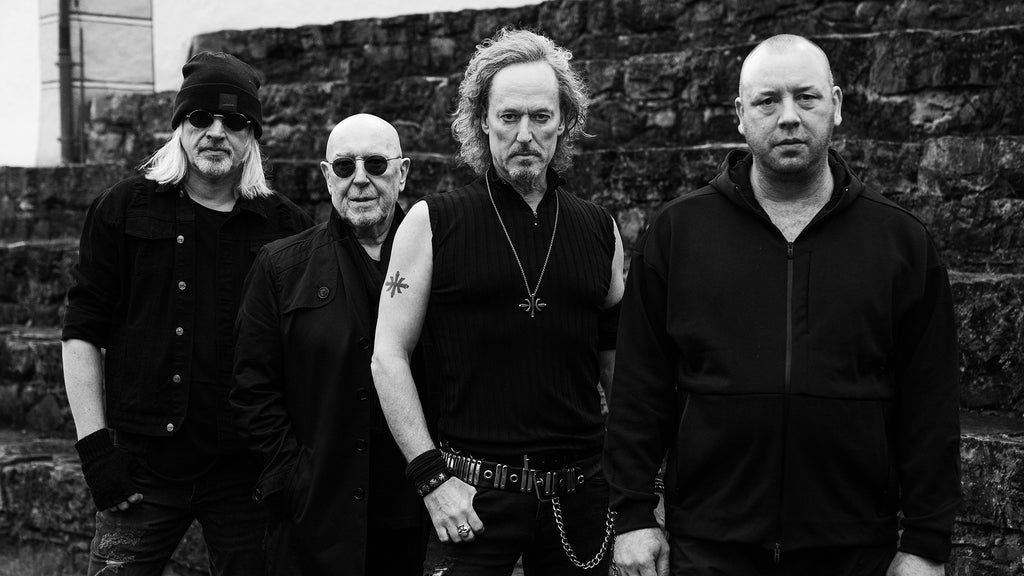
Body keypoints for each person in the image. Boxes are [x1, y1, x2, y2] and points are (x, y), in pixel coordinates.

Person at [604, 34, 961, 576]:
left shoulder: (900, 241)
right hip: (709, 547)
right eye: (768, 100)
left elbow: (929, 402)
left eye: (806, 97)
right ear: (740, 115)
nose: (789, 117)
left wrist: (926, 544)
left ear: (835, 105)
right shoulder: (679, 233)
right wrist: (633, 515)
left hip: (853, 550)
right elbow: (639, 386)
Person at [371, 27, 625, 576]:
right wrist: (430, 477)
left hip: (579, 500)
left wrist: (635, 495)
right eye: (508, 116)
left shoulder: (600, 230)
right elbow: (387, 355)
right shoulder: (431, 223)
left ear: (565, 120)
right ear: (483, 120)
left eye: (540, 116)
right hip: (469, 499)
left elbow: (618, 370)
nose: (524, 134)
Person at [61, 51, 313, 576]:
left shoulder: (286, 227)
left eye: (235, 122)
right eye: (201, 117)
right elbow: (82, 330)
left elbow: (308, 347)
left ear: (252, 136)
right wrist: (96, 451)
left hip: (247, 474)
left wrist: (292, 460)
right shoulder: (122, 208)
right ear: (180, 126)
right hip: (142, 469)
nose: (216, 132)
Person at [231, 113, 426, 575]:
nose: (360, 179)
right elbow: (251, 389)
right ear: (326, 176)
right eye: (344, 166)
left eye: (375, 164)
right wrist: (294, 480)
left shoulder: (441, 262)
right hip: (315, 519)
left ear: (402, 172)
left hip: (416, 511)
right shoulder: (281, 267)